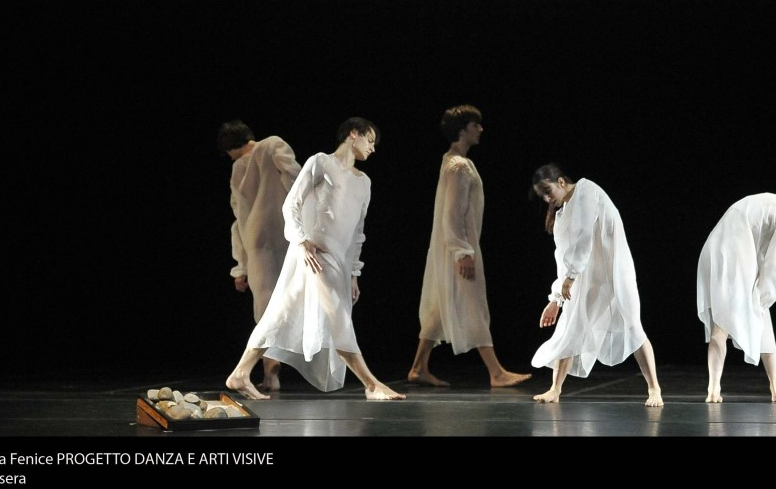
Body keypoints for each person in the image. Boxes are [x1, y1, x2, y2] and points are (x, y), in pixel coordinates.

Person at [225, 118, 405, 401]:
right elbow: (292, 203)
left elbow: (358, 232)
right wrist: (300, 240)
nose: (372, 148)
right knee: (337, 314)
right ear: (353, 134)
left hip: (336, 257)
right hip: (313, 254)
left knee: (279, 313)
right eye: (369, 140)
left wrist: (354, 273)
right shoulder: (320, 162)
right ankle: (371, 384)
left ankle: (240, 373)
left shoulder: (364, 182)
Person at [408, 105, 531, 388]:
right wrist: (462, 251)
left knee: (440, 305)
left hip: (454, 247)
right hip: (459, 249)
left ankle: (418, 367)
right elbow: (452, 213)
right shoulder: (458, 166)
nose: (480, 129)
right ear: (463, 130)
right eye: (476, 125)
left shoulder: (455, 161)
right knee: (474, 306)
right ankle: (496, 372)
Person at [529, 164, 663, 406]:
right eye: (543, 196)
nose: (548, 199)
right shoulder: (560, 216)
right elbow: (562, 257)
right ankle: (555, 389)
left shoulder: (587, 190)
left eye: (548, 191)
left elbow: (584, 236)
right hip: (585, 279)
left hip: (614, 273)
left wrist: (570, 278)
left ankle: (654, 389)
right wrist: (555, 298)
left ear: (561, 182)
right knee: (570, 325)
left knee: (633, 326)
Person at [697, 193, 776, 403]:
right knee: (739, 318)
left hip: (714, 250)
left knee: (723, 324)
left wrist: (760, 302)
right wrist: (764, 299)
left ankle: (720, 388)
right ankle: (765, 388)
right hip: (734, 255)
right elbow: (775, 267)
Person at [217, 119, 301, 392]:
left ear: (229, 147)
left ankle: (269, 373)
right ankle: (271, 371)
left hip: (257, 243)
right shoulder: (273, 144)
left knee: (266, 310)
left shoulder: (239, 165)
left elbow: (238, 219)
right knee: (288, 305)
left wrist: (240, 266)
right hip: (286, 235)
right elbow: (296, 178)